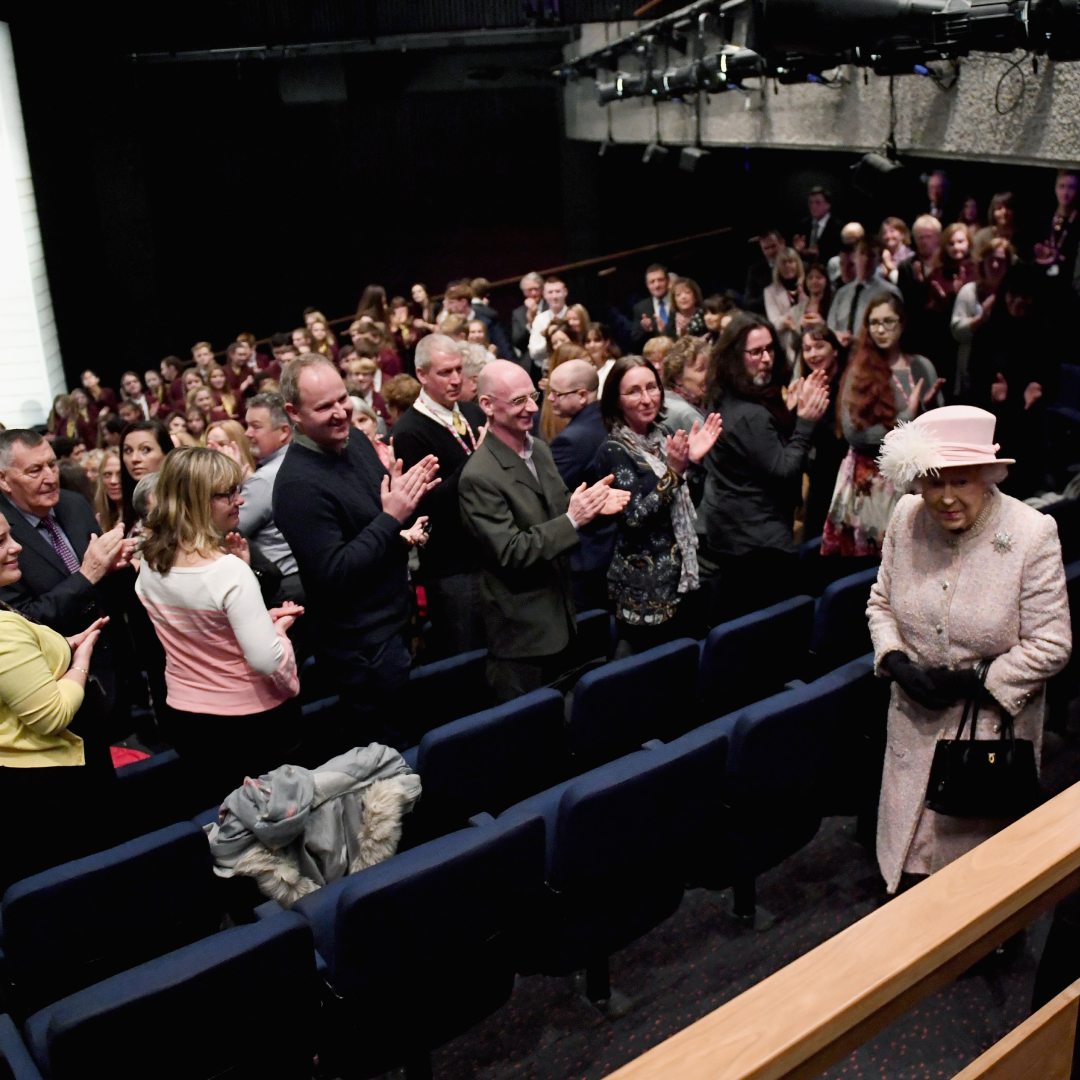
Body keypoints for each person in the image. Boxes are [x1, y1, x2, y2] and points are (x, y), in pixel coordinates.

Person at [869, 405, 1070, 895]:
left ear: (988, 474)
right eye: (934, 482)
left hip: (985, 738)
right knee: (908, 874)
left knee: (973, 884)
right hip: (912, 725)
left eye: (962, 481)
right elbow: (880, 605)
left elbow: (1053, 644)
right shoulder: (905, 517)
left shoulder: (1031, 534)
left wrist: (975, 680)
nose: (946, 498)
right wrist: (894, 658)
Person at [273, 356, 438, 753]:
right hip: (361, 648)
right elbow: (334, 571)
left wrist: (404, 512)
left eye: (342, 399)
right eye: (324, 407)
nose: (340, 412)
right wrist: (392, 516)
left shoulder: (357, 442)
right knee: (387, 756)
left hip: (396, 623)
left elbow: (378, 524)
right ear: (293, 413)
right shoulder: (296, 485)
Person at [137, 448, 302, 809]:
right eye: (226, 493)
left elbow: (201, 632)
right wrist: (280, 633)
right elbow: (267, 661)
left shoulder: (150, 560)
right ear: (194, 499)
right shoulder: (227, 571)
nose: (239, 499)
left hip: (187, 719)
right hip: (247, 725)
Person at [459, 360, 629, 702]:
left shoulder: (537, 448)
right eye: (519, 401)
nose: (534, 408)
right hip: (523, 636)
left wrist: (590, 506)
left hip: (562, 617)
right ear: (488, 406)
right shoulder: (478, 476)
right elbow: (511, 551)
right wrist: (573, 520)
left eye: (533, 396)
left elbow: (560, 506)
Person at [0, 510, 117, 890]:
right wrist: (80, 662)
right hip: (44, 786)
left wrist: (63, 646)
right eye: (1, 542)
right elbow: (52, 714)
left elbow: (18, 667)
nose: (15, 546)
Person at [697, 314, 830, 620]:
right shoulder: (747, 413)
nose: (766, 359)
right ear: (735, 357)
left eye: (770, 349)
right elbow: (784, 468)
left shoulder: (733, 394)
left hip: (739, 532)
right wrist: (805, 423)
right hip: (755, 542)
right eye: (755, 352)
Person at [0, 430, 138, 726]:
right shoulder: (3, 537)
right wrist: (87, 575)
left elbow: (103, 584)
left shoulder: (73, 504)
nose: (50, 477)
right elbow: (24, 619)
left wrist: (117, 565)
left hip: (113, 662)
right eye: (35, 470)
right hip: (54, 684)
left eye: (52, 465)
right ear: (2, 480)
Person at [592, 357, 722, 654]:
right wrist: (675, 473)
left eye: (652, 387)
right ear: (616, 399)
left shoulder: (660, 435)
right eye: (634, 391)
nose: (647, 398)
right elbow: (635, 519)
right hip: (645, 590)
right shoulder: (613, 449)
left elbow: (689, 500)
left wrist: (695, 464)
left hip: (679, 577)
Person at [823, 295, 944, 559]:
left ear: (902, 324)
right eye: (874, 323)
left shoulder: (922, 366)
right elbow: (855, 434)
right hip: (874, 483)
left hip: (919, 480)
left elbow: (937, 428)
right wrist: (907, 417)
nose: (881, 329)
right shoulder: (859, 370)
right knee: (880, 566)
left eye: (888, 321)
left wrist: (924, 409)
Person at [390, 334, 487, 658]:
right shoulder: (408, 432)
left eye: (459, 369)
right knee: (467, 659)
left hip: (490, 552)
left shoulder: (473, 414)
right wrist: (479, 457)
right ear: (421, 375)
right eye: (445, 372)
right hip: (451, 567)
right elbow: (429, 507)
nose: (457, 379)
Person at [968, 263, 1057, 498]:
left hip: (1029, 433)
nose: (1018, 301)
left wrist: (1040, 390)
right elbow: (972, 385)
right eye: (1013, 294)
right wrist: (990, 393)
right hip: (994, 432)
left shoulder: (1045, 336)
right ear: (1005, 294)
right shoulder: (987, 334)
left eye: (1025, 296)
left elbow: (1053, 384)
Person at [548, 359, 615, 613]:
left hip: (586, 556)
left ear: (582, 395)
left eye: (558, 393)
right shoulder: (607, 420)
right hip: (608, 548)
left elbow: (551, 496)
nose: (551, 398)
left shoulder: (571, 441)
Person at [240, 394, 302, 605]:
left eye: (255, 426)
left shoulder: (264, 480)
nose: (247, 433)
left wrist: (227, 484)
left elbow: (224, 528)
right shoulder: (302, 460)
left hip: (282, 587)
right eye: (247, 425)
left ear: (284, 431)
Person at [796, 326, 847, 542]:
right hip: (818, 477)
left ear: (835, 350)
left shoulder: (848, 384)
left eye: (819, 346)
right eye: (807, 348)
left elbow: (838, 439)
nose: (813, 354)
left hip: (843, 477)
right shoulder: (804, 386)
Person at [951, 234, 1015, 399]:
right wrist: (981, 318)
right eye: (990, 260)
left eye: (1000, 261)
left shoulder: (1014, 295)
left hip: (1005, 375)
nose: (994, 265)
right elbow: (956, 332)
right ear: (982, 263)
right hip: (972, 374)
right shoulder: (969, 291)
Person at [827, 237, 902, 348]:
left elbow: (894, 330)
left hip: (873, 355)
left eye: (871, 255)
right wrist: (837, 336)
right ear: (854, 257)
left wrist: (858, 342)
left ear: (879, 260)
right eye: (861, 254)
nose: (865, 260)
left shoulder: (889, 292)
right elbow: (831, 326)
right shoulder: (842, 293)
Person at [120, 420, 172, 531]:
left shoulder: (180, 507)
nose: (135, 459)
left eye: (146, 449)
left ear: (167, 454)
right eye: (128, 450)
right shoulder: (123, 508)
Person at [764, 248, 806, 363]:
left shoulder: (807, 285)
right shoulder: (770, 291)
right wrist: (789, 319)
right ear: (778, 267)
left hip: (810, 339)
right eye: (783, 263)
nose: (787, 266)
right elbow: (774, 323)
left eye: (791, 262)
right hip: (787, 347)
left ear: (797, 264)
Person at [661, 336, 710, 434]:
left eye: (710, 367)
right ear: (678, 378)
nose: (709, 375)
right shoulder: (687, 415)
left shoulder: (666, 398)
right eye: (700, 369)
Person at [528, 277, 571, 367]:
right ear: (544, 295)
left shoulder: (574, 315)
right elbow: (533, 352)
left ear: (565, 292)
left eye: (558, 291)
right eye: (550, 292)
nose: (554, 296)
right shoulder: (539, 320)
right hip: (549, 368)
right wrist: (550, 338)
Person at [794, 186, 842, 264]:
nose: (813, 206)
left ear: (828, 205)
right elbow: (799, 250)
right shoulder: (804, 224)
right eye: (811, 202)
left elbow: (837, 254)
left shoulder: (838, 227)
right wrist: (799, 250)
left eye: (817, 203)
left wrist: (819, 254)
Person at [632, 264, 673, 348]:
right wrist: (645, 330)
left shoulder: (677, 301)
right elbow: (635, 340)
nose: (657, 285)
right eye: (652, 282)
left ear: (668, 281)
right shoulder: (640, 308)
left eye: (660, 280)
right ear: (647, 285)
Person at [744, 229, 785, 313]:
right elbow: (748, 302)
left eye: (773, 246)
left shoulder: (797, 265)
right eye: (766, 248)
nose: (770, 252)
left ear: (782, 243)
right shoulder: (755, 271)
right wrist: (770, 297)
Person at [511, 272, 546, 365]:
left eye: (536, 289)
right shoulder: (518, 313)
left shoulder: (550, 306)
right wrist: (530, 324)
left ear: (542, 289)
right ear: (524, 292)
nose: (534, 293)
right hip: (531, 361)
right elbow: (517, 342)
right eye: (529, 290)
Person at [584, 322, 621, 393]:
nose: (592, 345)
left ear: (607, 343)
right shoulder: (589, 369)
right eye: (588, 341)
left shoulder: (614, 367)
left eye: (597, 340)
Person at [95, 449, 124, 531]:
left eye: (120, 474)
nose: (113, 481)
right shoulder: (100, 519)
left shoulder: (141, 519)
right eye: (108, 475)